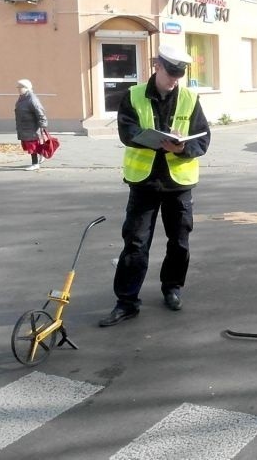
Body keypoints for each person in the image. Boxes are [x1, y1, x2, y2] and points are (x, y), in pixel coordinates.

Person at [99, 45, 211, 327]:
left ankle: (172, 288)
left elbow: (203, 140)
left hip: (178, 184)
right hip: (144, 183)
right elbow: (127, 131)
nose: (174, 80)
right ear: (157, 66)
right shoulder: (134, 95)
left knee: (179, 243)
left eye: (178, 75)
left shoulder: (189, 98)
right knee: (135, 243)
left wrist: (181, 148)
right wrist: (149, 139)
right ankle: (126, 301)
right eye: (170, 73)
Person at [14, 79, 48, 171]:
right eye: (18, 87)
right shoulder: (23, 97)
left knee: (32, 145)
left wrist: (43, 123)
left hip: (31, 127)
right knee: (30, 145)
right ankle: (41, 155)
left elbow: (40, 111)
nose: (18, 89)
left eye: (20, 87)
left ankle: (35, 164)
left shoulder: (31, 98)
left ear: (26, 88)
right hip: (25, 126)